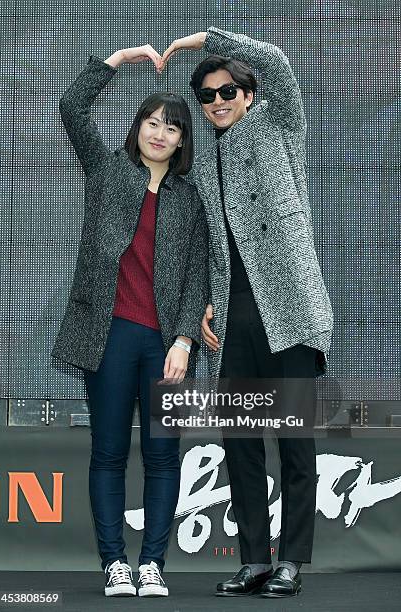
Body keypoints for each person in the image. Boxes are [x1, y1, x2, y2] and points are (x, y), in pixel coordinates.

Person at [159, 28, 333, 598]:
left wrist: (204, 39)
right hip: (234, 318)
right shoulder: (206, 162)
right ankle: (256, 559)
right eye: (206, 96)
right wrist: (210, 301)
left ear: (250, 94)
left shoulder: (279, 126)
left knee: (295, 443)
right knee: (241, 443)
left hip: (291, 312)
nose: (217, 102)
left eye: (227, 90)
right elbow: (216, 244)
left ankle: (292, 561)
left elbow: (277, 58)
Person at [51, 44, 208, 598]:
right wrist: (118, 59)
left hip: (166, 345)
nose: (160, 133)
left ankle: (151, 566)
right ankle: (116, 563)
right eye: (151, 121)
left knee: (165, 456)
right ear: (137, 127)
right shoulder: (107, 169)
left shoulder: (192, 198)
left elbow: (197, 276)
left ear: (183, 140)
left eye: (171, 127)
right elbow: (72, 107)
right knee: (110, 451)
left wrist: (185, 341)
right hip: (110, 336)